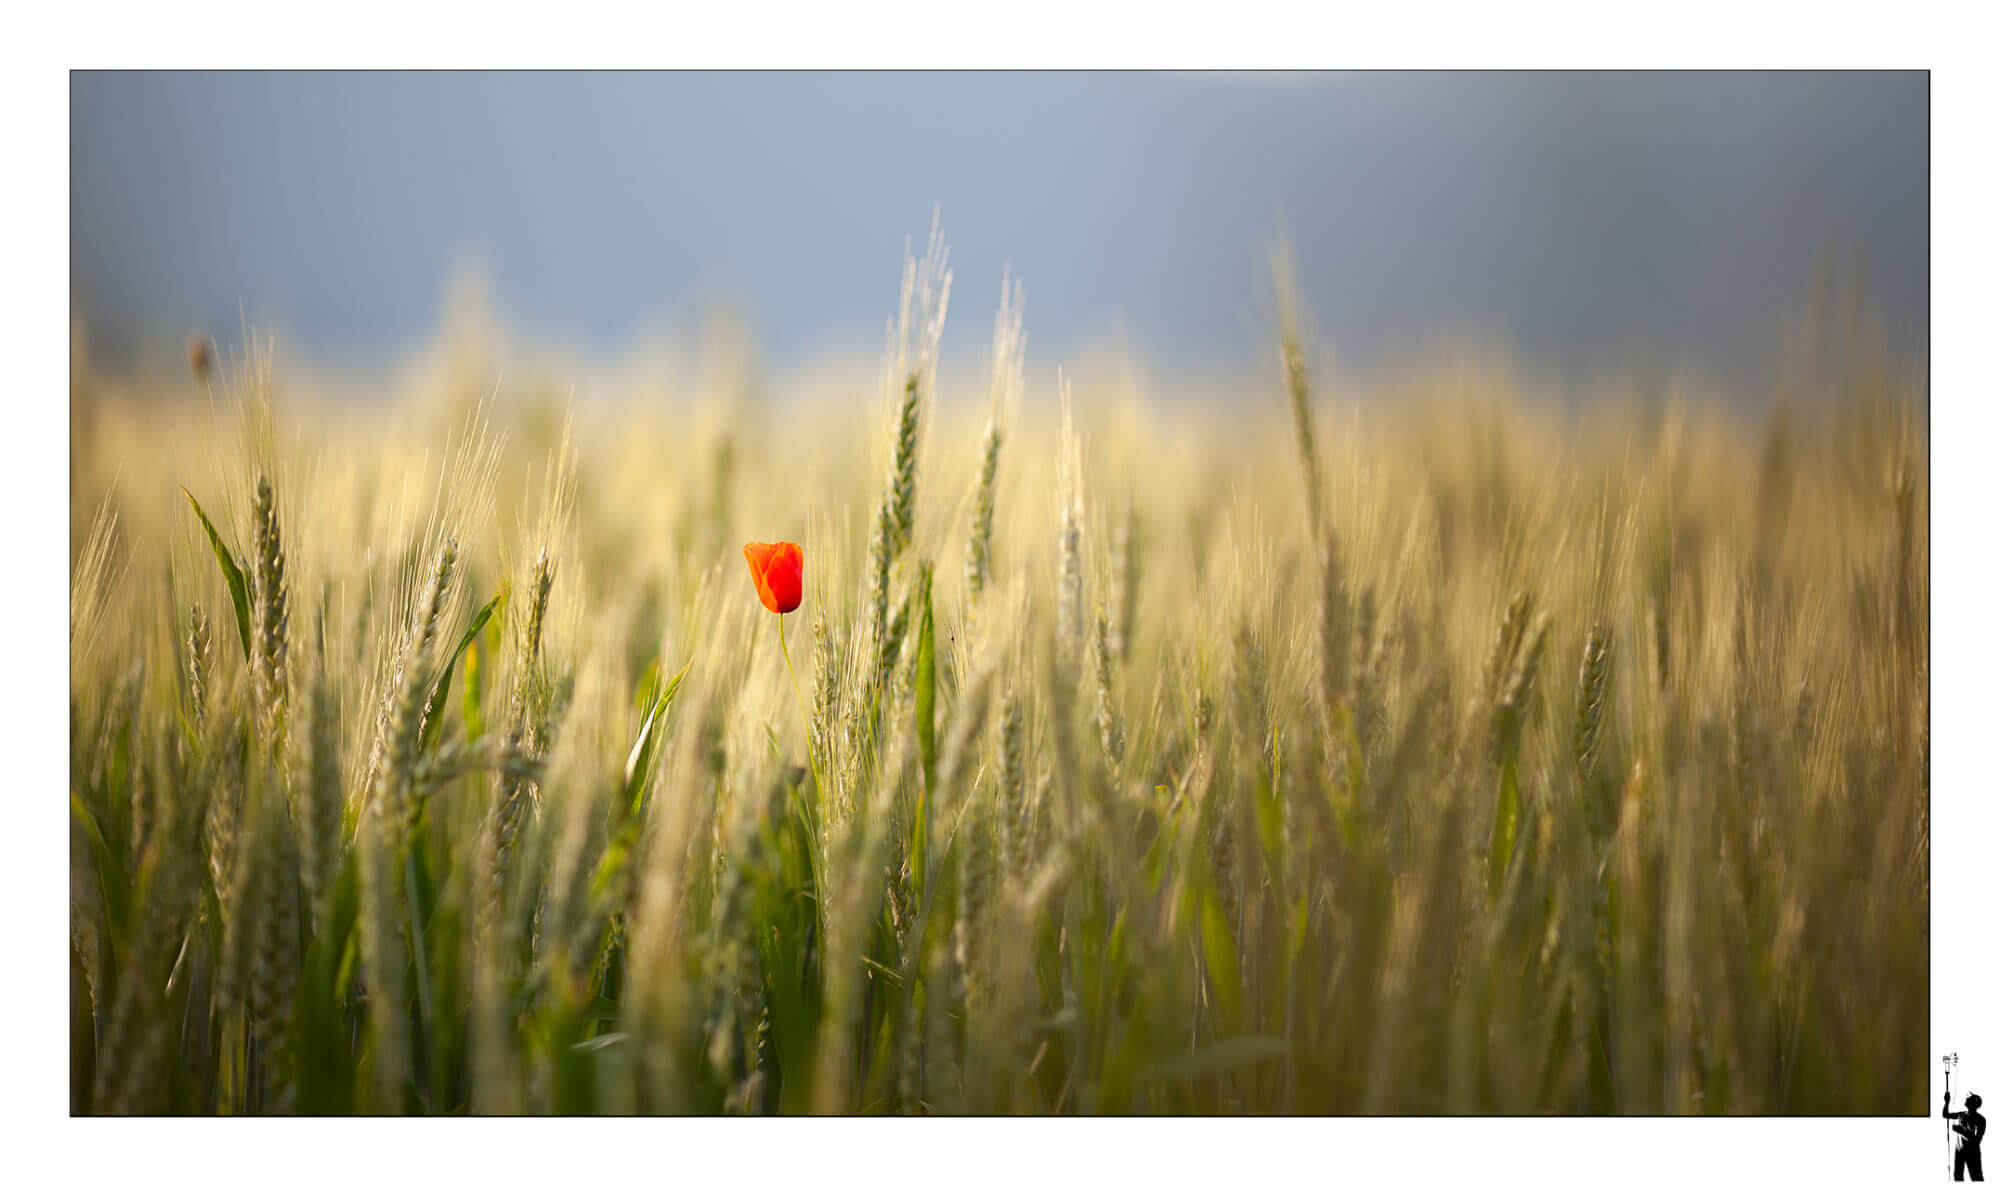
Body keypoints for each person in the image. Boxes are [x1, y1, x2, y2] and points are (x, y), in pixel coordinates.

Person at [1946, 1092, 1986, 1181]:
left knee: (1976, 1177)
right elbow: (1945, 1114)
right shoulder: (1961, 1114)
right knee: (1958, 1176)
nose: (1966, 1098)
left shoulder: (1980, 1119)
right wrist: (1947, 1102)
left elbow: (1977, 1140)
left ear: (1973, 1103)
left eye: (1969, 1098)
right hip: (1959, 1151)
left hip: (1972, 1153)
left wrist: (1961, 1131)